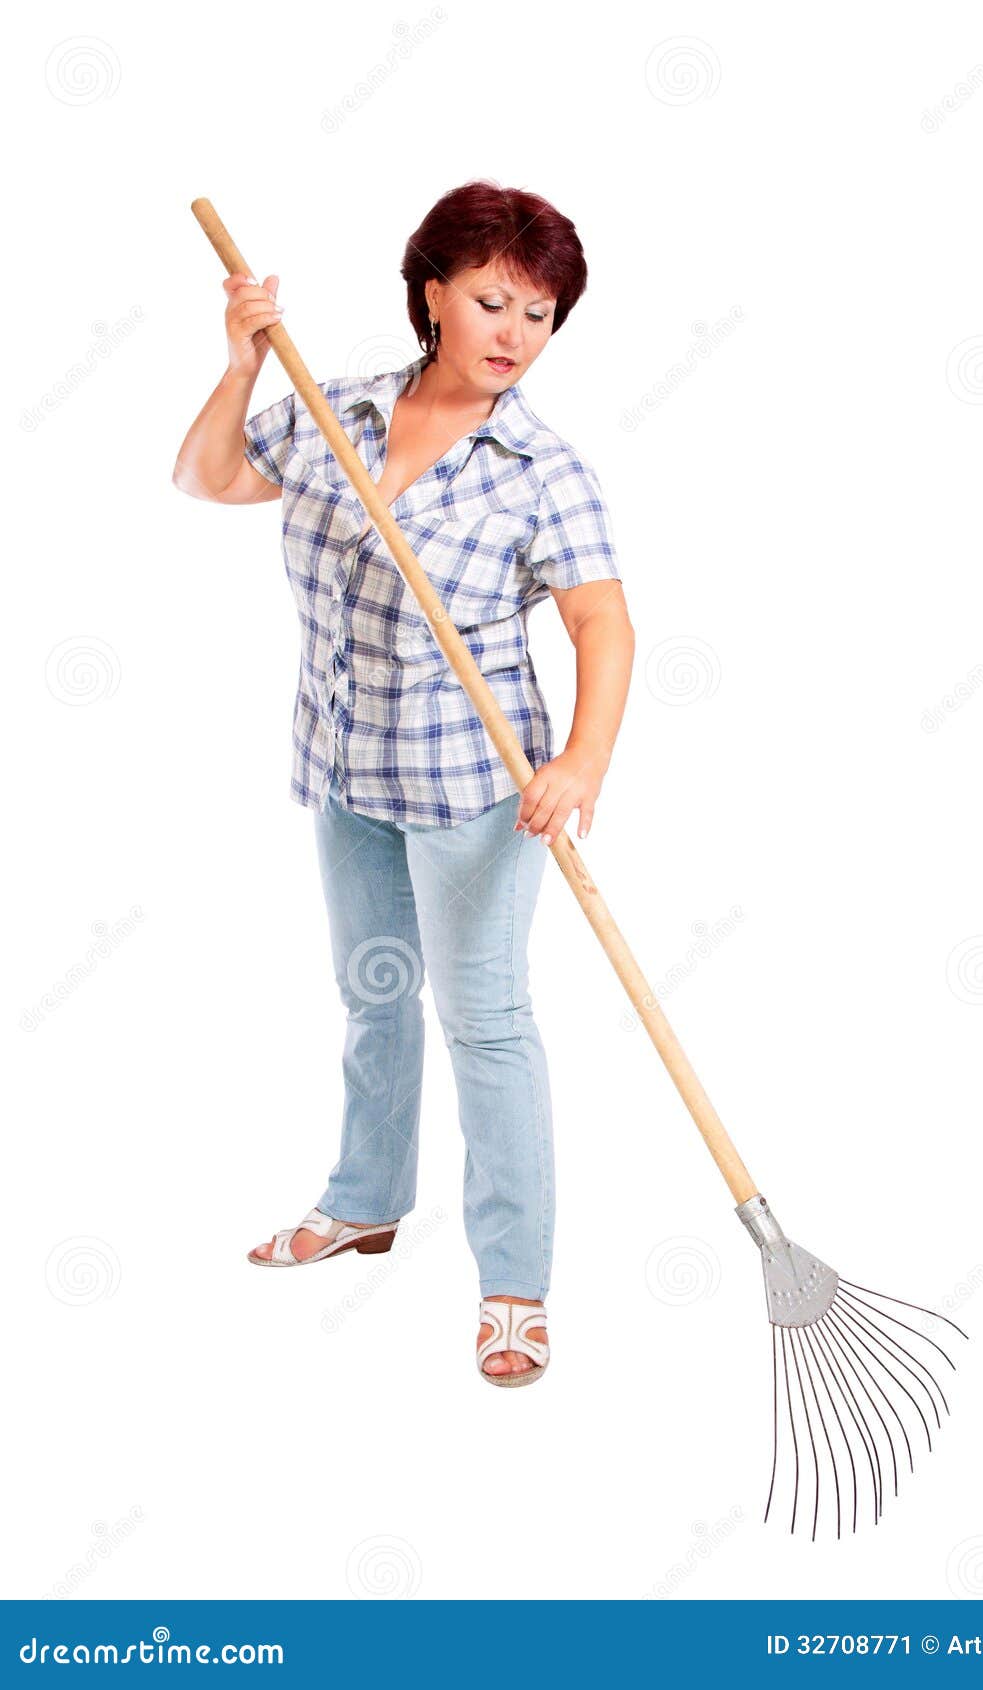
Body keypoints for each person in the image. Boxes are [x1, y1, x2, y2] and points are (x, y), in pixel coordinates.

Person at [172, 179, 635, 1385]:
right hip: (343, 761)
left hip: (476, 787)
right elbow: (208, 480)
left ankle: (514, 1287)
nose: (512, 334)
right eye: (491, 301)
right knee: (372, 992)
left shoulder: (538, 467)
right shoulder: (340, 411)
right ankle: (364, 1202)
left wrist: (579, 761)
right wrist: (239, 366)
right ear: (431, 293)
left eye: (538, 315)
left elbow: (602, 627)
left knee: (483, 1022)